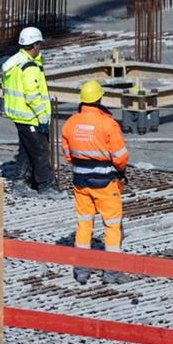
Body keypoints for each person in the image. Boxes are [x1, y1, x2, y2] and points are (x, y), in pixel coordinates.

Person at [62, 81, 130, 285]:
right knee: (112, 225)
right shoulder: (107, 123)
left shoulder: (71, 122)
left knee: (84, 224)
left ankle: (82, 270)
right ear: (99, 99)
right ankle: (112, 272)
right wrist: (120, 170)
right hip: (105, 183)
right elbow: (120, 156)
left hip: (81, 182)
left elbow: (67, 154)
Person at [1, 27, 66, 200]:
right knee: (40, 151)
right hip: (30, 115)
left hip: (20, 115)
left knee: (26, 150)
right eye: (39, 44)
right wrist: (42, 115)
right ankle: (46, 186)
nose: (40, 48)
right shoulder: (29, 66)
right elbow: (32, 95)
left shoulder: (16, 62)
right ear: (35, 45)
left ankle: (20, 182)